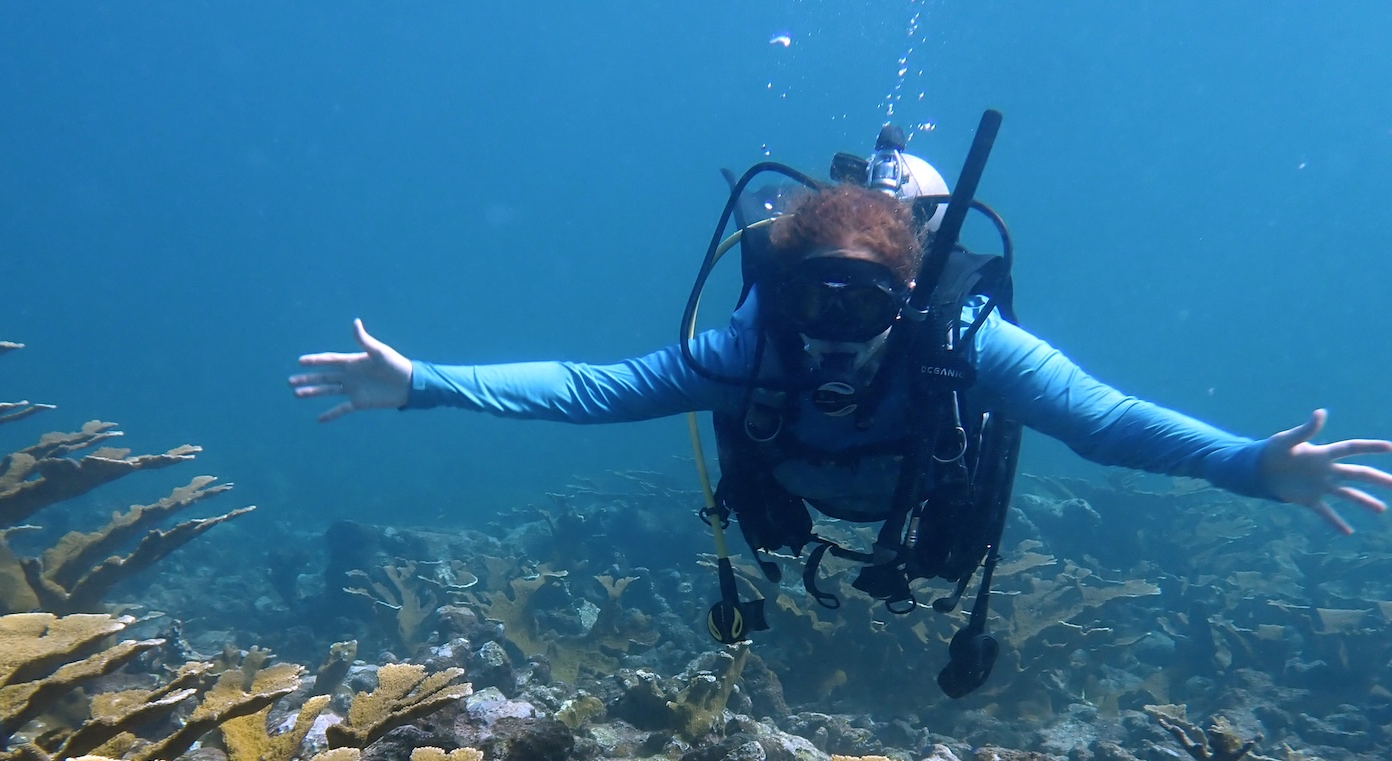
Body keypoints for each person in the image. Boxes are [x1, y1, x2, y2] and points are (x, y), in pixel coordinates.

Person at [290, 178, 1392, 537]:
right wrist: (425, 384)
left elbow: (1105, 421)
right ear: (773, 292)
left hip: (922, 513)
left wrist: (1254, 463)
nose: (828, 328)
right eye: (807, 297)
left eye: (861, 304)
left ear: (905, 299)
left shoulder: (967, 345)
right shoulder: (746, 347)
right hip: (799, 512)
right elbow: (591, 388)